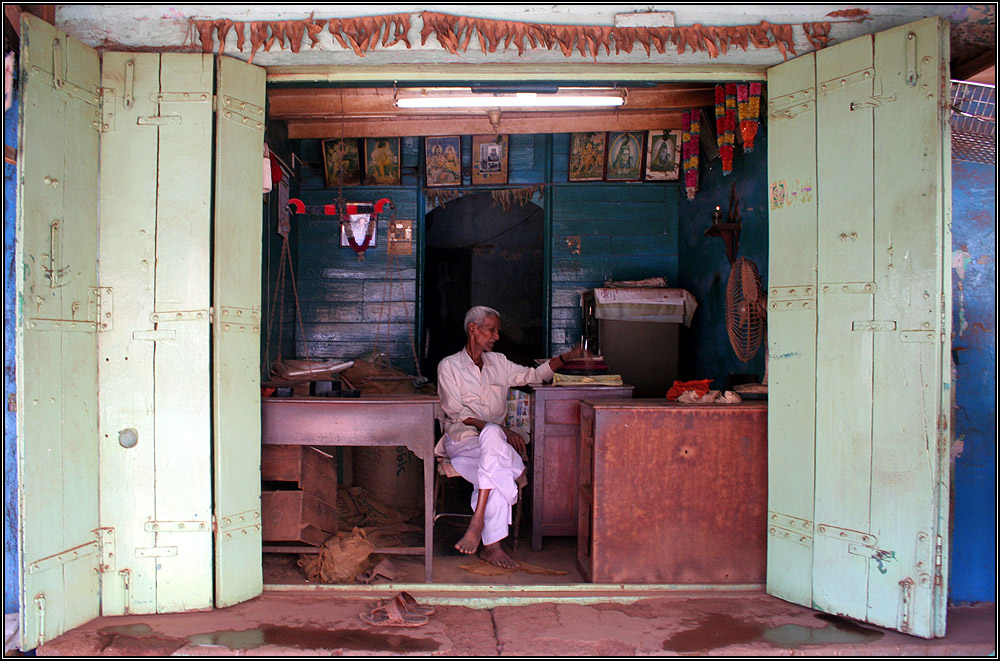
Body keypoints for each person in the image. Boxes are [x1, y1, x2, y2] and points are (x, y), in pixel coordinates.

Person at [436, 306, 584, 568]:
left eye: (497, 331)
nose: (496, 336)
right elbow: (455, 413)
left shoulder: (499, 363)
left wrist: (568, 356)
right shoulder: (449, 366)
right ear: (473, 329)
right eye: (491, 329)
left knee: (494, 451)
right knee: (499, 460)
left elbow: (534, 376)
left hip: (493, 447)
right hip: (464, 444)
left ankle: (479, 523)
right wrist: (500, 429)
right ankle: (491, 545)